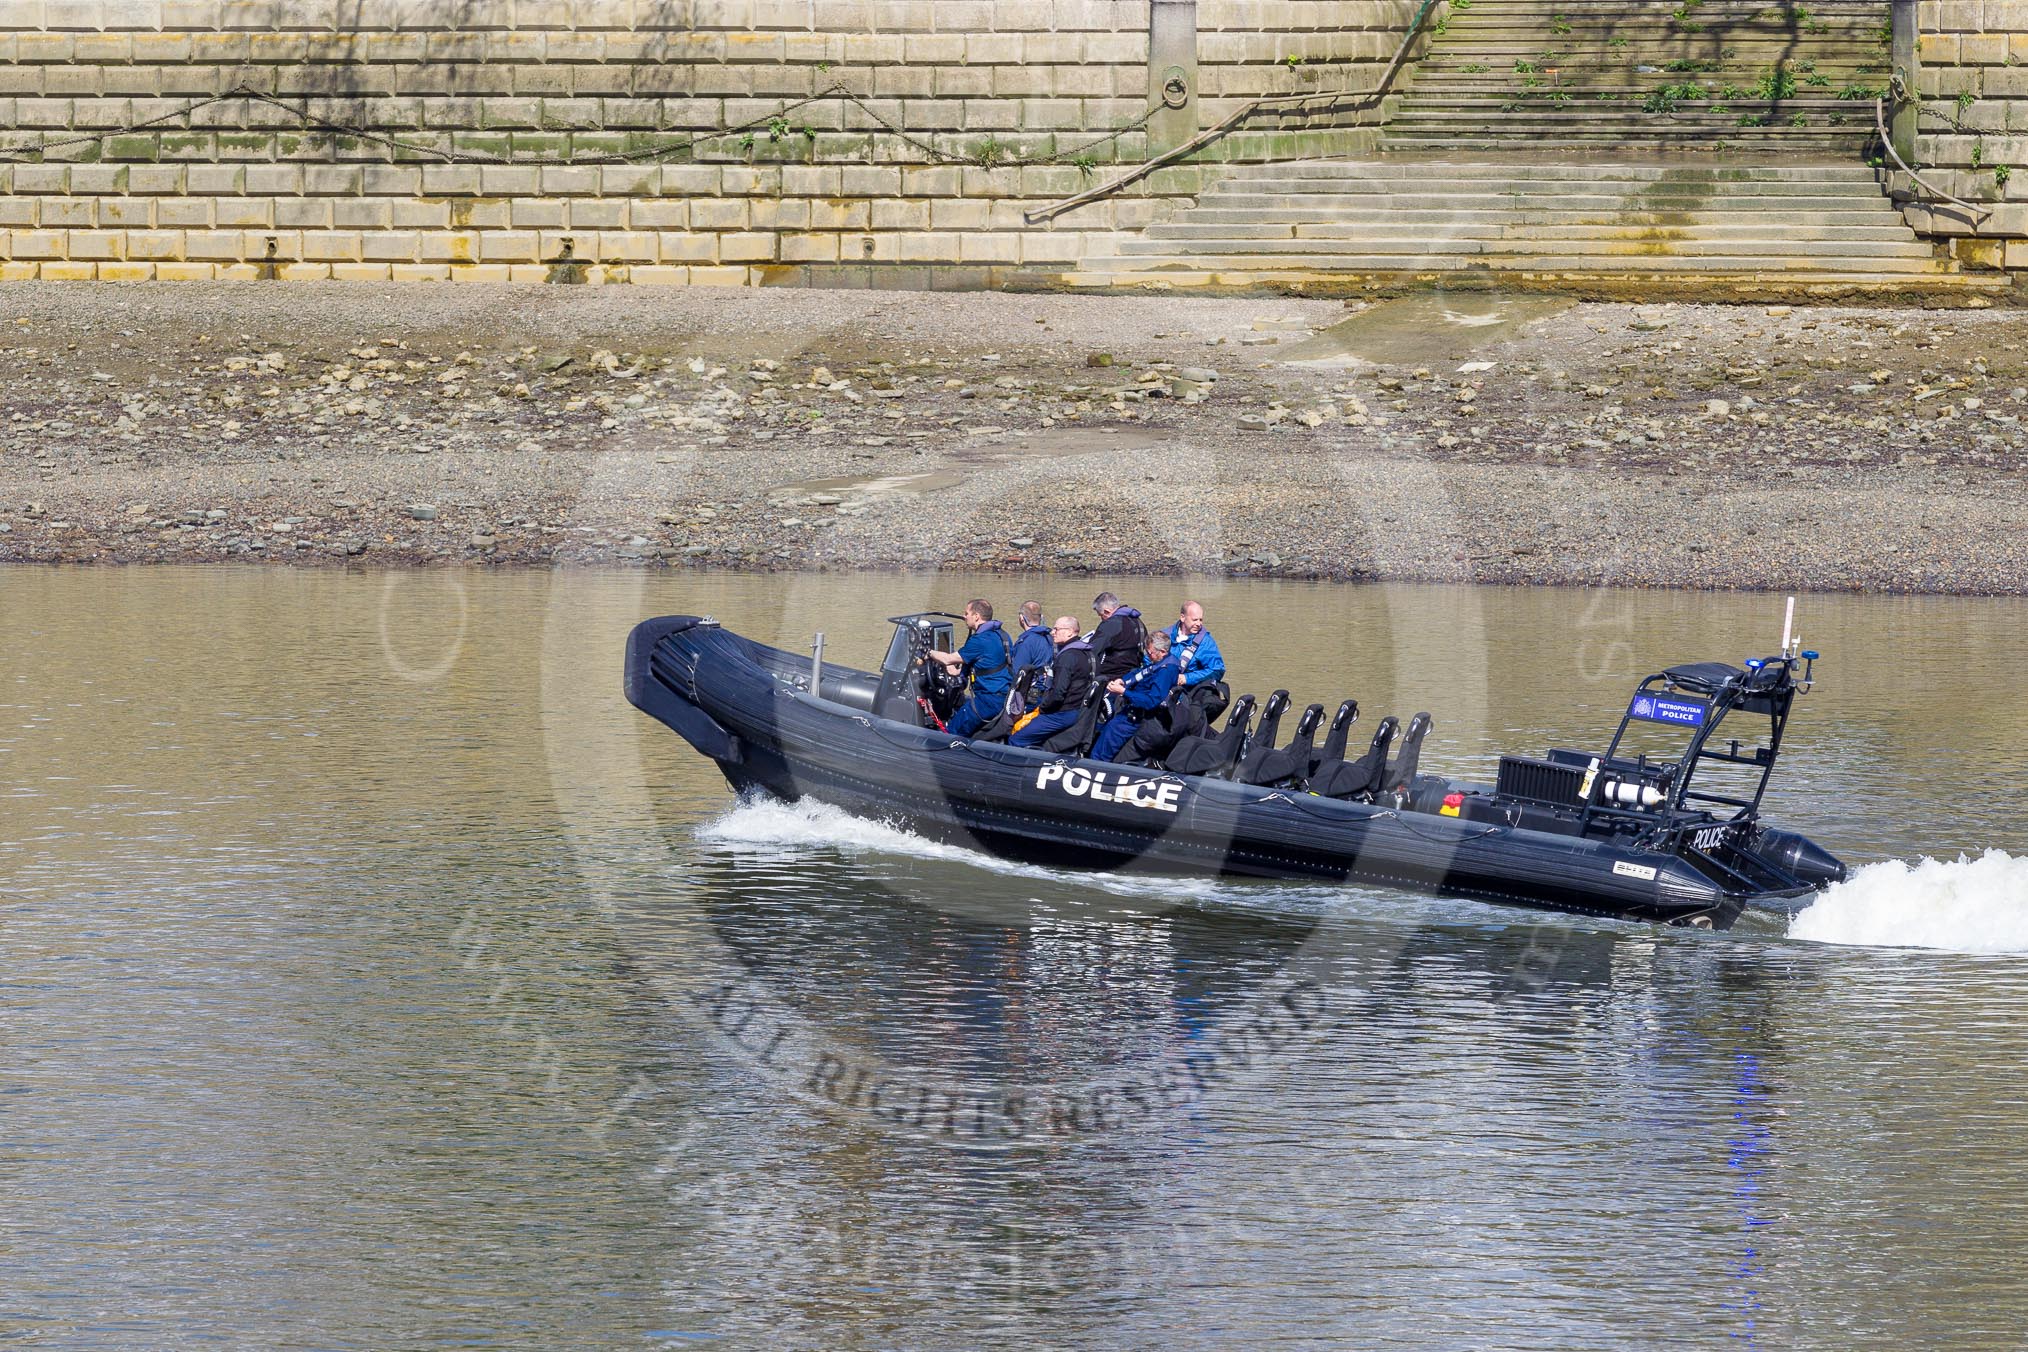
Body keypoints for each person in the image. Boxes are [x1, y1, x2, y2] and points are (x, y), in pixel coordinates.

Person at [1091, 630, 1182, 762]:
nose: (1148, 655)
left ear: (1162, 651)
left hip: (1136, 717)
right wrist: (1123, 680)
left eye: (1150, 653)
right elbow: (1142, 672)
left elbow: (1151, 701)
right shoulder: (1161, 662)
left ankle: (1096, 765)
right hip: (1133, 708)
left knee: (1107, 740)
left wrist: (1123, 692)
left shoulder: (1165, 672)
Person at [927, 599, 1012, 739]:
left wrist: (927, 652)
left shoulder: (980, 640)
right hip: (1004, 696)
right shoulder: (1002, 635)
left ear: (976, 616)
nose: (964, 616)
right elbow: (965, 668)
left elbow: (948, 659)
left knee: (951, 732)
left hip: (988, 700)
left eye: (967, 613)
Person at [1011, 617, 1092, 748]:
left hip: (1063, 713)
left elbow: (1058, 694)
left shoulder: (1067, 657)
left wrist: (1042, 709)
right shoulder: (1087, 653)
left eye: (1056, 629)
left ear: (1070, 632)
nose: (1052, 632)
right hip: (1080, 710)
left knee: (1017, 738)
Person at [1167, 599, 1229, 723]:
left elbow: (1217, 669)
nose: (1199, 624)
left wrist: (1187, 678)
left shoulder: (1206, 642)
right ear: (1182, 617)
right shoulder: (1165, 635)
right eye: (1195, 620)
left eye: (1201, 620)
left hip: (1189, 695)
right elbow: (1148, 660)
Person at [1088, 591, 1146, 685]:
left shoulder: (1111, 624)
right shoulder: (1138, 622)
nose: (1101, 619)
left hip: (1112, 675)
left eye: (1101, 616)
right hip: (1133, 672)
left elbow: (1092, 650)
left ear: (1107, 611)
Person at [1008, 599, 1054, 678]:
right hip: (1049, 684)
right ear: (1041, 617)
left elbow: (1018, 672)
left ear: (1021, 618)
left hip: (1033, 687)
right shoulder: (1051, 637)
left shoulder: (1026, 642)